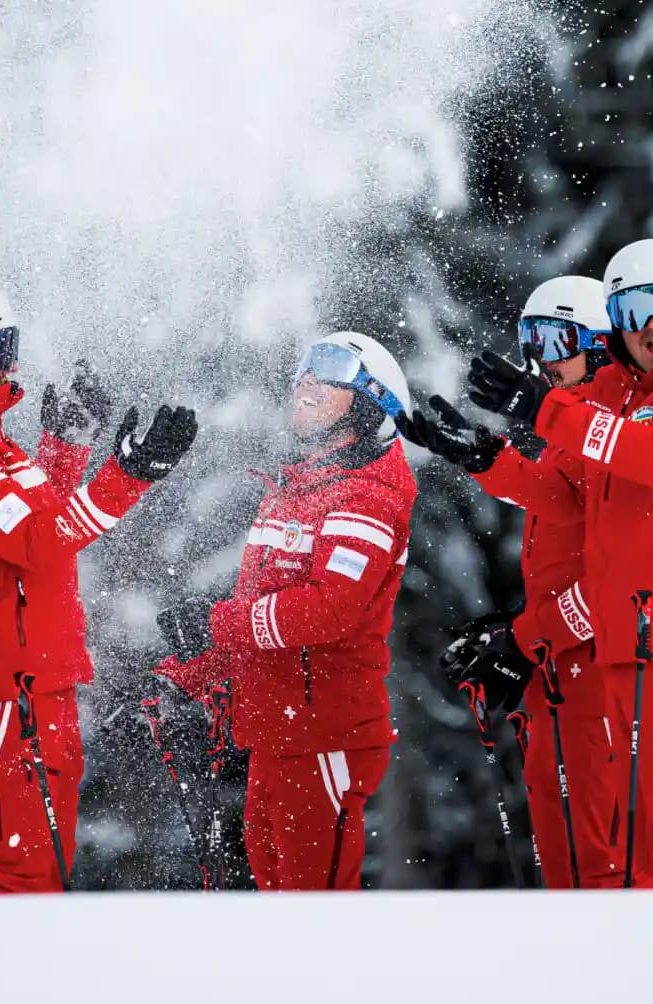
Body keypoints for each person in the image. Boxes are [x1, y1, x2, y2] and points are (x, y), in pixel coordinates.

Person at [408, 239, 653, 890]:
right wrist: (484, 457)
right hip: (635, 643)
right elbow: (568, 495)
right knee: (644, 855)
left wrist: (524, 638)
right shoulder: (620, 405)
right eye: (635, 311)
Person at [0, 275, 198, 893]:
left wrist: (65, 448)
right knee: (16, 872)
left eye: (10, 345)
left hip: (36, 676)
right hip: (4, 681)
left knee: (42, 869)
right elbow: (38, 543)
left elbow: (33, 521)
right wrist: (128, 476)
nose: (11, 365)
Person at [156, 331, 419, 891]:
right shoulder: (293, 493)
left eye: (331, 373)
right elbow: (260, 622)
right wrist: (187, 682)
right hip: (276, 735)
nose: (306, 382)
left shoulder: (367, 495)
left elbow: (328, 611)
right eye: (305, 370)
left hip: (325, 733)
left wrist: (213, 621)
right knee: (280, 907)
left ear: (371, 402)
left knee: (313, 909)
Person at [417, 276, 624, 889]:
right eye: (529, 340)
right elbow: (559, 504)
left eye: (557, 340)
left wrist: (524, 637)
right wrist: (484, 457)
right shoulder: (573, 435)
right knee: (560, 860)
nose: (540, 359)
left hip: (597, 675)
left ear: (602, 346)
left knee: (599, 859)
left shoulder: (613, 431)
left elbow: (614, 582)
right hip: (557, 672)